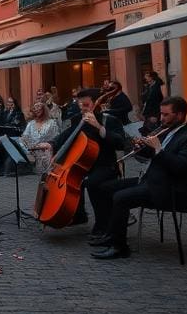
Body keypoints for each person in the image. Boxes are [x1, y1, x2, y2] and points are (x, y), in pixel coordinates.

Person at [91, 96, 187, 259]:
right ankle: (111, 233)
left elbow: (179, 166)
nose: (161, 119)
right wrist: (141, 148)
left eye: (166, 115)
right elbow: (152, 156)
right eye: (161, 114)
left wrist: (158, 149)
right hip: (151, 182)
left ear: (179, 115)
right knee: (106, 187)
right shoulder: (166, 132)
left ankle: (119, 247)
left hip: (170, 189)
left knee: (121, 197)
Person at [35, 88, 125, 237]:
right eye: (80, 105)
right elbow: (67, 135)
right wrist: (52, 143)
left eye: (86, 105)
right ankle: (78, 215)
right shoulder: (78, 119)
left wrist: (99, 127)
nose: (82, 109)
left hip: (105, 165)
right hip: (82, 164)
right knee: (74, 178)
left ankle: (102, 224)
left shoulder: (110, 120)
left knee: (91, 182)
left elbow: (120, 143)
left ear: (98, 104)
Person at [19, 99, 60, 174]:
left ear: (44, 108)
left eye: (39, 107)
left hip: (47, 151)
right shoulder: (31, 124)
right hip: (32, 151)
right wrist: (29, 149)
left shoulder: (52, 123)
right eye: (35, 108)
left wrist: (45, 146)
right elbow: (24, 138)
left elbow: (56, 139)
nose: (37, 110)